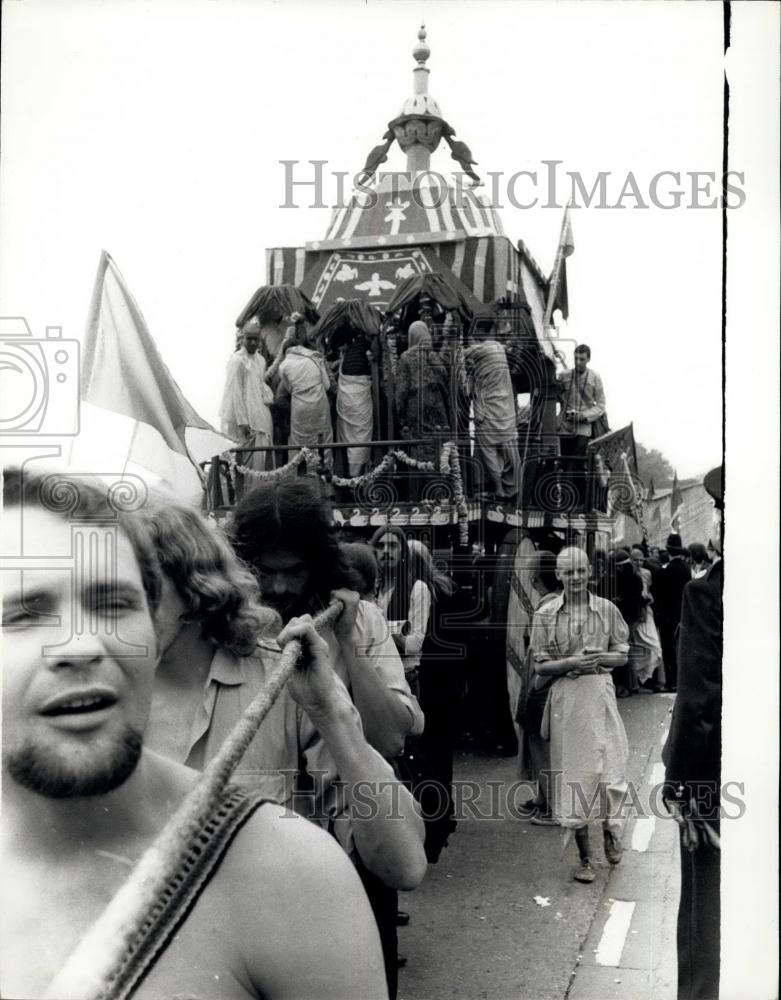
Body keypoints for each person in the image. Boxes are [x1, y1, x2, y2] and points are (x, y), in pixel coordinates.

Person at [1, 468, 387, 1000]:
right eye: (21, 614)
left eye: (114, 603)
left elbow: (401, 852)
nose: (80, 643)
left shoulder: (293, 871)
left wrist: (335, 711)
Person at [145, 502, 426, 895]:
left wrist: (331, 704)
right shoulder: (94, 701)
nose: (277, 587)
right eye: (265, 571)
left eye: (139, 592)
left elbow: (405, 862)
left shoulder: (306, 665)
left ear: (198, 590)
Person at [529, 546, 630, 883]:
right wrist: (571, 663)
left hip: (599, 695)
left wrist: (599, 657)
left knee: (610, 771)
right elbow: (540, 666)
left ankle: (611, 832)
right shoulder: (544, 615)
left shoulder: (607, 610)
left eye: (580, 571)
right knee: (575, 776)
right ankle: (585, 858)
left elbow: (623, 654)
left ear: (590, 573)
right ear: (558, 575)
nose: (574, 578)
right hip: (567, 702)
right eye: (567, 572)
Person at [663, 465, 723, 1000]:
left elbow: (699, 697)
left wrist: (680, 783)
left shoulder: (707, 595)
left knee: (705, 905)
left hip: (717, 777)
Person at [515, 551, 561, 825]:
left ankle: (554, 806)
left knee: (541, 746)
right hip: (543, 681)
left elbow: (545, 653)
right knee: (540, 744)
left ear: (535, 578)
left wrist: (534, 687)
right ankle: (544, 798)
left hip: (540, 684)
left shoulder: (547, 609)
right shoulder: (554, 603)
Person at [371, 526, 431, 694]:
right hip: (373, 680)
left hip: (404, 679)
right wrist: (398, 629)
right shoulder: (370, 591)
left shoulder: (418, 588)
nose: (386, 551)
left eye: (393, 546)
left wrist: (380, 624)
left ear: (403, 552)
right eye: (380, 546)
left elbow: (413, 646)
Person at [463, 328, 520, 500]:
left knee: (489, 452)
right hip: (506, 412)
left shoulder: (484, 349)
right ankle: (514, 487)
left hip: (488, 413)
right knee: (510, 451)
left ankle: (499, 488)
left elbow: (461, 354)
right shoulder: (497, 348)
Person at [219, 315, 275, 471]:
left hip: (262, 415)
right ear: (243, 338)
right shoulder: (237, 360)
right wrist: (242, 421)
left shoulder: (261, 360)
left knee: (263, 460)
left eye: (255, 339)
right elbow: (235, 393)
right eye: (249, 339)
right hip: (246, 419)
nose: (252, 342)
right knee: (245, 463)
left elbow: (261, 384)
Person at [396, 321, 452, 468]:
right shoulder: (434, 357)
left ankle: (423, 486)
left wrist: (401, 421)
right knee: (440, 451)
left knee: (419, 451)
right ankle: (440, 484)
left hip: (416, 412)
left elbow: (401, 392)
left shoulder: (406, 358)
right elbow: (445, 382)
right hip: (438, 411)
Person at [275, 325, 334, 452]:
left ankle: (301, 469)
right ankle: (324, 469)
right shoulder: (315, 358)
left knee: (300, 444)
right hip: (320, 404)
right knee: (323, 440)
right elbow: (328, 386)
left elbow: (289, 389)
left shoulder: (283, 366)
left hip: (299, 407)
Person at [656, 532, 692, 692]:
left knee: (668, 648)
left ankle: (671, 682)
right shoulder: (686, 569)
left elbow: (659, 595)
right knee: (681, 648)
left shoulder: (664, 571)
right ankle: (681, 681)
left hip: (666, 617)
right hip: (682, 614)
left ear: (668, 551)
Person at [336, 332, 375, 477]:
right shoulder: (364, 346)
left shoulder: (352, 351)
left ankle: (350, 475)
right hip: (357, 396)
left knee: (350, 436)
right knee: (360, 437)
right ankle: (355, 476)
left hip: (346, 398)